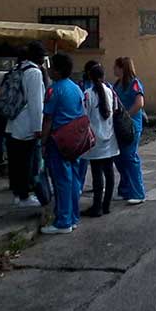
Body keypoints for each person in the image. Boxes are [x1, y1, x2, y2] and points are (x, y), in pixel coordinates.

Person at [40, 53, 85, 234]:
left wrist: (43, 142)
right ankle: (72, 217)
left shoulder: (54, 90)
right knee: (73, 179)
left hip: (58, 139)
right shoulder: (75, 88)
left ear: (57, 71)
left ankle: (63, 221)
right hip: (75, 138)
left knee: (61, 181)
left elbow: (48, 119)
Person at [5, 41, 46, 208]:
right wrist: (39, 128)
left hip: (12, 122)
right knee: (27, 164)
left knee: (15, 163)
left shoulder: (17, 69)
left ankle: (17, 194)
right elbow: (36, 104)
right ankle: (24, 196)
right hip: (26, 125)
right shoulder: (34, 73)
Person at [82, 65, 119, 217]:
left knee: (97, 175)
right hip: (109, 137)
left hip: (95, 138)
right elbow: (115, 111)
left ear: (90, 77)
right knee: (109, 173)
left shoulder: (88, 94)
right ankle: (107, 205)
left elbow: (83, 116)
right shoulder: (110, 92)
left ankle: (96, 207)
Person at [113, 57, 146, 204]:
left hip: (131, 125)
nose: (113, 69)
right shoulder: (117, 84)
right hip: (120, 125)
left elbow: (139, 103)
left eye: (115, 67)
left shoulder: (134, 83)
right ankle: (125, 188)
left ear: (121, 68)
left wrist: (126, 116)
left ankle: (138, 193)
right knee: (119, 158)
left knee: (130, 157)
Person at [76, 60, 99, 191]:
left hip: (86, 126)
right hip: (95, 128)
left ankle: (79, 185)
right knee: (97, 161)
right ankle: (96, 185)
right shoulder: (85, 87)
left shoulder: (82, 87)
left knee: (84, 158)